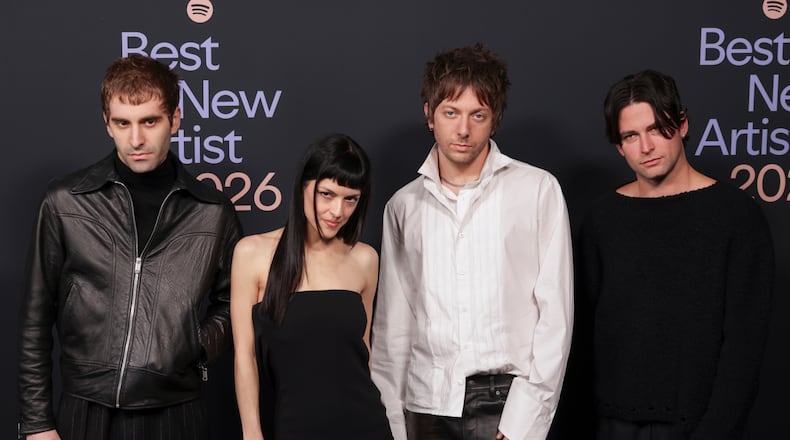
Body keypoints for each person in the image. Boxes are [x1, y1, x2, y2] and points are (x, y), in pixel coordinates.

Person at [17, 54, 242, 440]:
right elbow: (35, 318)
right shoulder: (65, 202)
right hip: (86, 409)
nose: (136, 139)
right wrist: (37, 423)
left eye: (150, 121)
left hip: (176, 412)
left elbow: (234, 303)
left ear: (175, 119)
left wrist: (194, 344)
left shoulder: (212, 212)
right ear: (107, 123)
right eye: (123, 123)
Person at [371, 44, 574, 440]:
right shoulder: (403, 206)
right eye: (451, 113)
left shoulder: (537, 190)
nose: (463, 130)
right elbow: (394, 327)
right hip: (426, 406)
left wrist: (525, 421)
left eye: (477, 115)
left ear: (494, 120)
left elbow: (556, 316)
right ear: (429, 115)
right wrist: (394, 423)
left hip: (506, 404)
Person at [577, 69, 774, 439]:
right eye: (631, 136)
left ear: (682, 124)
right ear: (619, 146)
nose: (646, 147)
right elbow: (581, 339)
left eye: (656, 129)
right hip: (610, 425)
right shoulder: (601, 220)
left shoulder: (735, 216)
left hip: (697, 425)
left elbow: (743, 351)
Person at [230, 133, 393, 440]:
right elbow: (245, 356)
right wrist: (251, 433)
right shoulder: (252, 254)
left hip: (366, 425)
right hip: (294, 426)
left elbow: (364, 353)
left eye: (350, 199)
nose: (337, 211)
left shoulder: (364, 259)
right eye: (327, 194)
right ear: (302, 188)